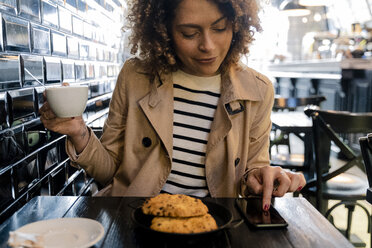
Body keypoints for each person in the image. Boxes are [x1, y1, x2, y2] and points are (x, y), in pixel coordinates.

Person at [39, 0, 306, 211]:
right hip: (135, 218)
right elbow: (109, 171)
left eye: (220, 27)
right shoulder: (135, 77)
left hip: (213, 224)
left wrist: (264, 178)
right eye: (189, 33)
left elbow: (253, 173)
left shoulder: (258, 90)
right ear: (163, 30)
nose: (208, 46)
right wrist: (78, 133)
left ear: (236, 24)